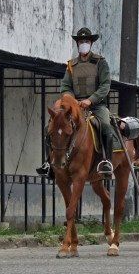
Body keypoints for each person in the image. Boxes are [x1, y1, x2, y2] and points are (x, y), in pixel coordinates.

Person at [36, 27, 115, 178]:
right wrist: (72, 100)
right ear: (77, 44)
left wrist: (90, 100)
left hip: (96, 106)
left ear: (91, 43)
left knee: (105, 127)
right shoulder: (71, 65)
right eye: (81, 41)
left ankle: (106, 162)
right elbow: (65, 86)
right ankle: (49, 163)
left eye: (86, 41)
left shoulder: (100, 62)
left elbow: (105, 85)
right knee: (50, 128)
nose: (83, 44)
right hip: (74, 106)